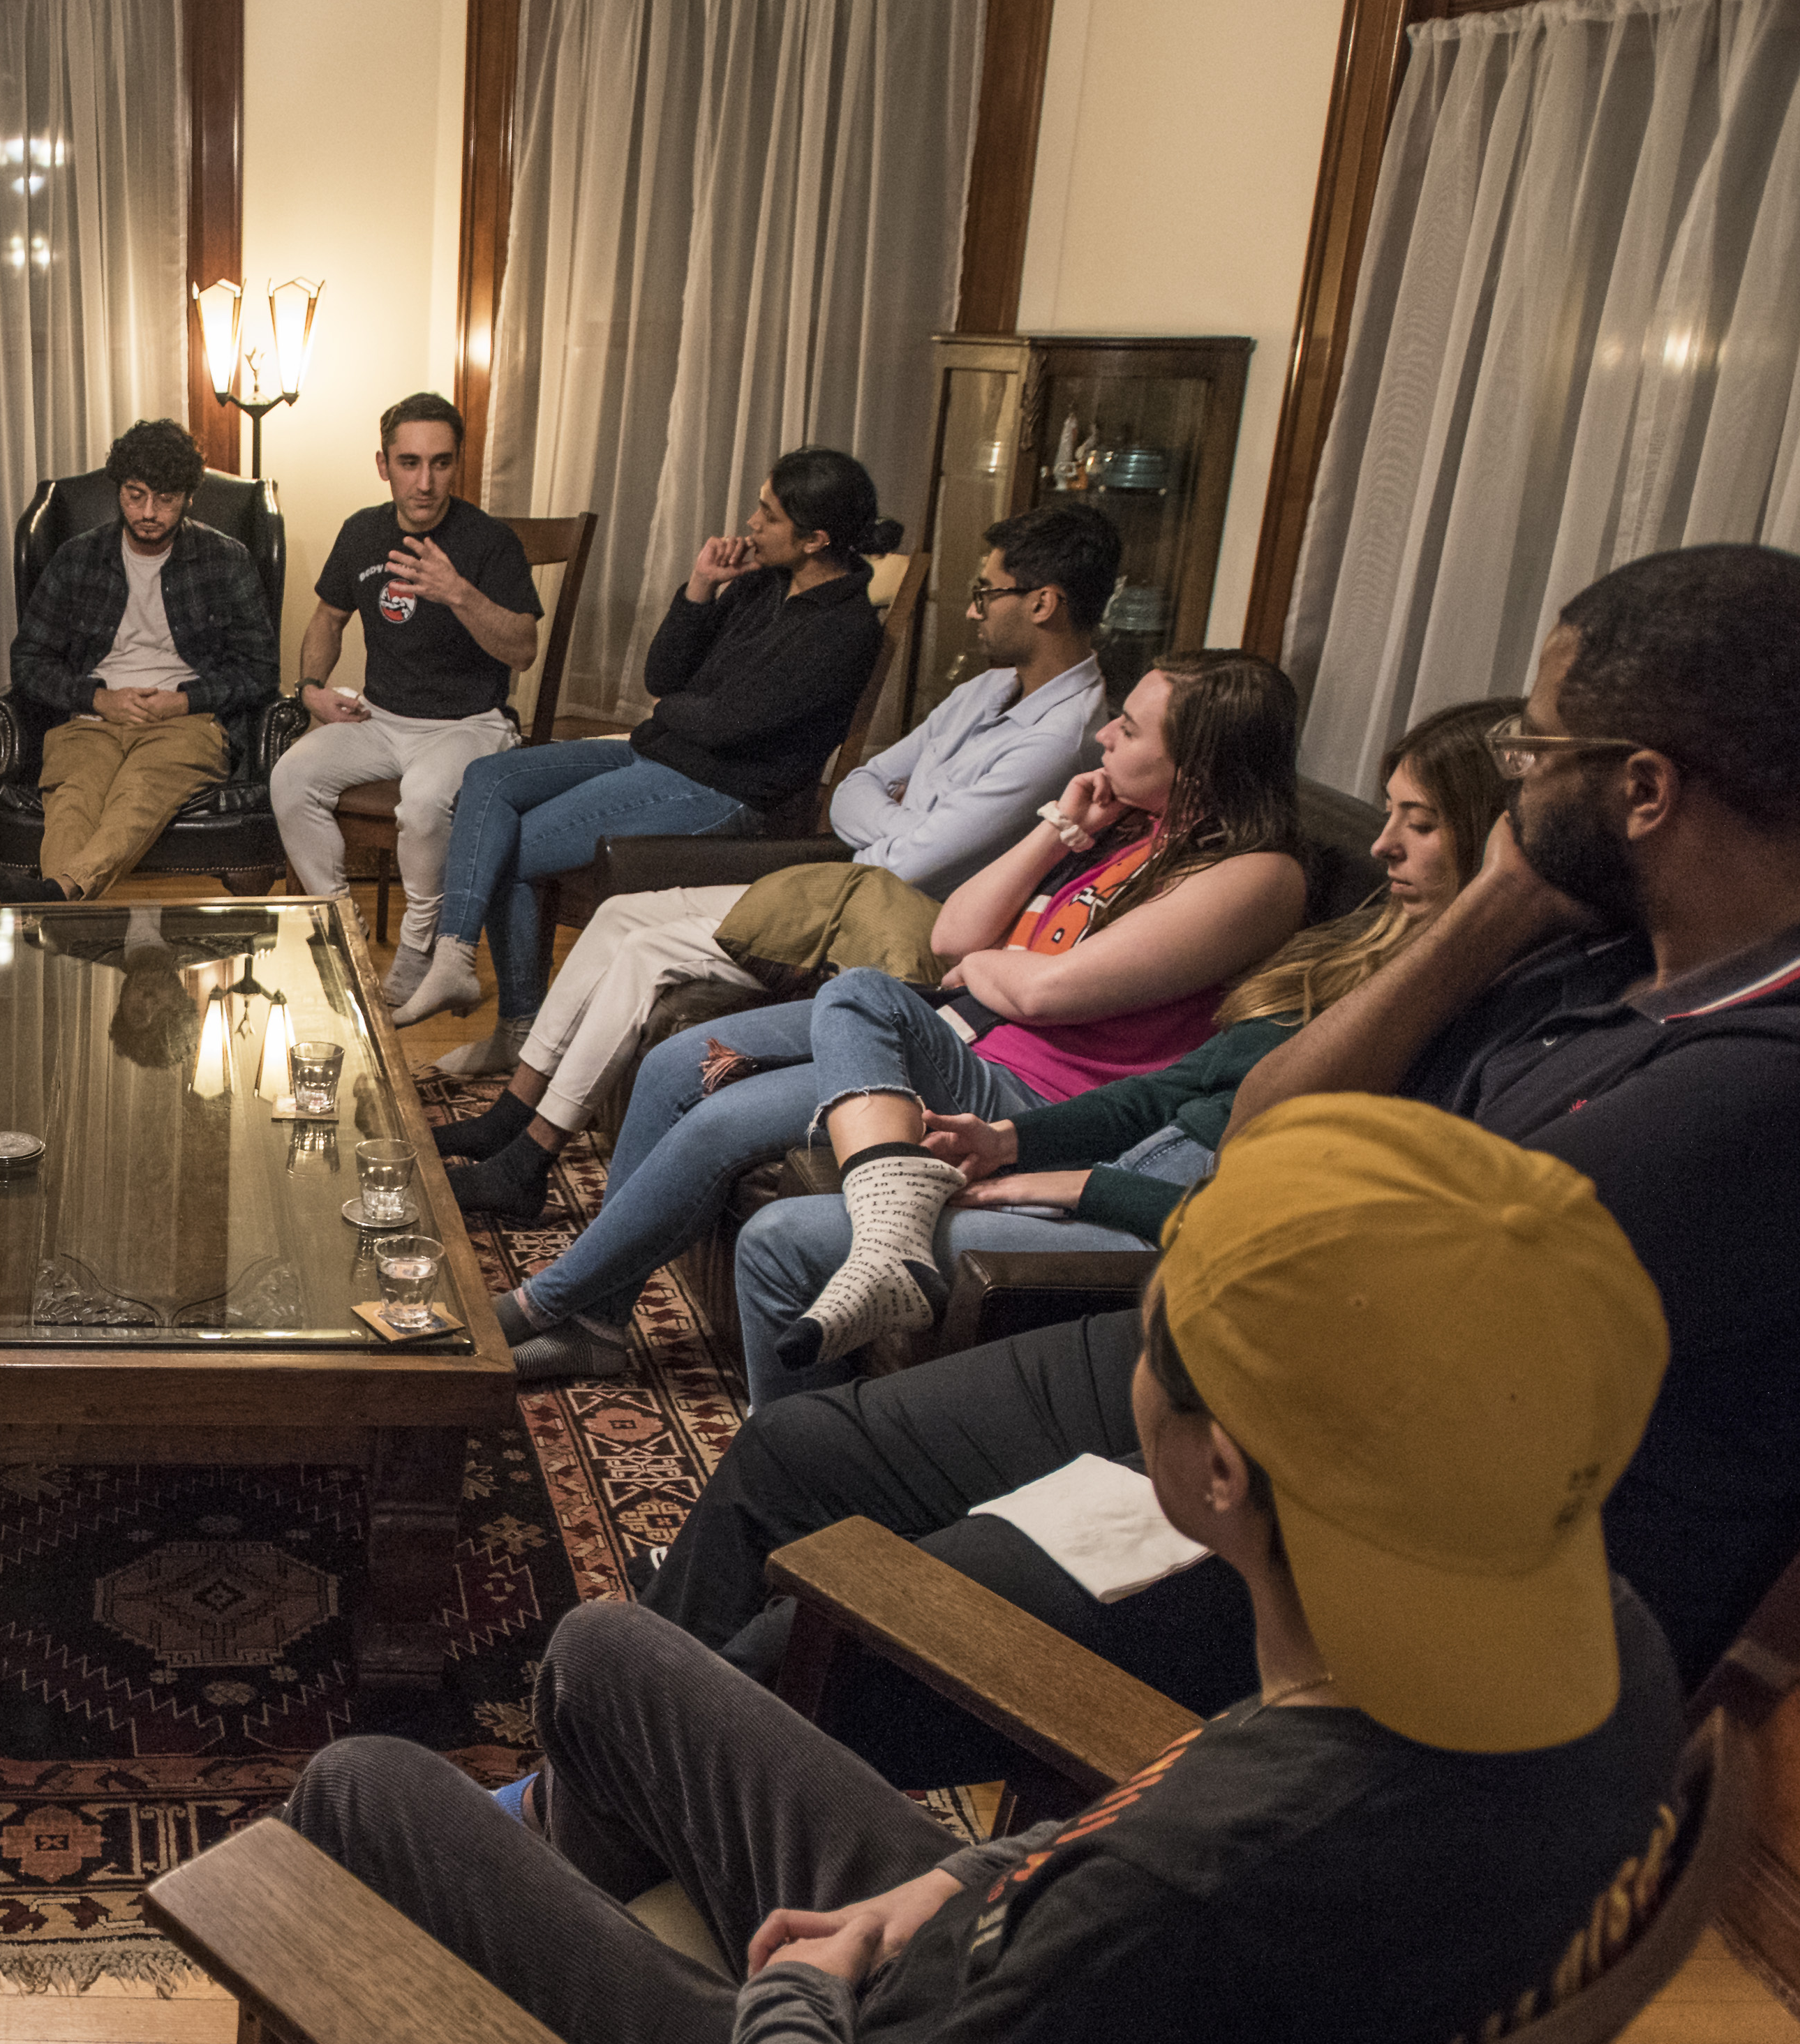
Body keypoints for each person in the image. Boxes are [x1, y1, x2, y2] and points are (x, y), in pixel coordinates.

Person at [142, 1095, 1683, 2044]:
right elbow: (1148, 1829)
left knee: (358, 1789)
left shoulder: (1199, 1891)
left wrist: (799, 2001)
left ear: (1216, 1469)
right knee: (609, 1652)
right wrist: (945, 1886)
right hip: (1002, 2008)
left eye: (1157, 1334)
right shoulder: (1593, 1647)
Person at [651, 543, 1800, 1733]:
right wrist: (1492, 917)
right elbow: (1263, 1128)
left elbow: (1393, 1316)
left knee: (820, 1647)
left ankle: (638, 1832)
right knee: (791, 1462)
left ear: (1648, 791)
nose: (1518, 786)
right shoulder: (1589, 946)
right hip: (1250, 1376)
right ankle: (627, 1763)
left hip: (1389, 1550)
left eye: (1538, 756)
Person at [485, 651, 1309, 1382]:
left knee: (754, 1087)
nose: (1104, 740)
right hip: (967, 1031)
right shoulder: (1127, 829)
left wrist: (997, 969)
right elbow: (953, 935)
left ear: (1197, 764)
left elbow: (1041, 994)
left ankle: (541, 1303)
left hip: (1029, 1091)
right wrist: (1061, 830)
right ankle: (593, 1321)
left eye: (1129, 730)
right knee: (680, 1063)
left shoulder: (1257, 876)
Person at [728, 699, 1517, 1408]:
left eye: (1421, 823)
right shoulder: (1354, 947)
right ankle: (882, 1246)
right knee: (832, 1012)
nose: (1382, 846)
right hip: (1115, 1157)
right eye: (1388, 816)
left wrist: (1070, 1186)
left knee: (780, 1240)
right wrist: (1008, 1142)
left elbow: (1307, 1224)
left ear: (1494, 839)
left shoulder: (1472, 1015)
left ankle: (803, 1486)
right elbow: (1171, 1090)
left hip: (1165, 1226)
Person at [430, 502, 1115, 1159]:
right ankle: (512, 1115)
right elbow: (853, 788)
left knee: (645, 948)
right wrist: (908, 823)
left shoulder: (1060, 738)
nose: (972, 607)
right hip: (850, 881)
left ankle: (534, 1154)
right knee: (617, 914)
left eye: (986, 591)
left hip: (902, 925)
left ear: (1044, 602)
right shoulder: (985, 689)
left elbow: (909, 862)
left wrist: (898, 827)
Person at [396, 450, 900, 1037]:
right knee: (489, 776)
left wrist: (673, 712)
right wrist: (700, 587)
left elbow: (727, 725)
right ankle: (455, 956)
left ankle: (518, 1030)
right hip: (663, 753)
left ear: (815, 539)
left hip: (724, 790)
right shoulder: (762, 585)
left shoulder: (842, 630)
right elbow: (662, 677)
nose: (752, 523)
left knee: (504, 846)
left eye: (768, 514)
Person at [266, 393, 547, 1007]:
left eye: (441, 463)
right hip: (381, 717)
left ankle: (420, 954)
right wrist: (312, 689)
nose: (425, 482)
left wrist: (458, 593)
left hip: (468, 724)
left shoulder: (488, 541)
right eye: (410, 463)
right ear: (383, 464)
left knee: (421, 806)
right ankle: (341, 926)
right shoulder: (362, 531)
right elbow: (327, 618)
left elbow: (523, 650)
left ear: (458, 464)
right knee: (290, 778)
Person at [0, 416, 281, 904]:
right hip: (91, 718)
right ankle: (61, 905)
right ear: (118, 491)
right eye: (135, 495)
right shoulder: (76, 558)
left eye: (165, 499)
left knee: (138, 793)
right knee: (74, 798)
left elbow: (261, 670)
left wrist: (182, 702)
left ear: (189, 497)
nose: (148, 512)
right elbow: (29, 662)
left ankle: (53, 900)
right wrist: (99, 698)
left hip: (187, 723)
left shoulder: (225, 559)